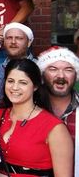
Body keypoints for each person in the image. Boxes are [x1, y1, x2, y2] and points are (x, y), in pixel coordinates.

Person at [0, 59, 73, 176]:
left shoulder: (55, 128)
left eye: (23, 82)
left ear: (35, 86)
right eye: (10, 81)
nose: (14, 87)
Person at [37, 46, 79, 176]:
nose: (61, 76)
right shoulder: (30, 109)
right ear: (42, 75)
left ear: (76, 75)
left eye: (68, 70)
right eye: (53, 69)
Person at [0, 22, 35, 102]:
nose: (13, 42)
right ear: (4, 42)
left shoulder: (39, 68)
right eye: (9, 38)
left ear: (29, 42)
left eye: (19, 38)